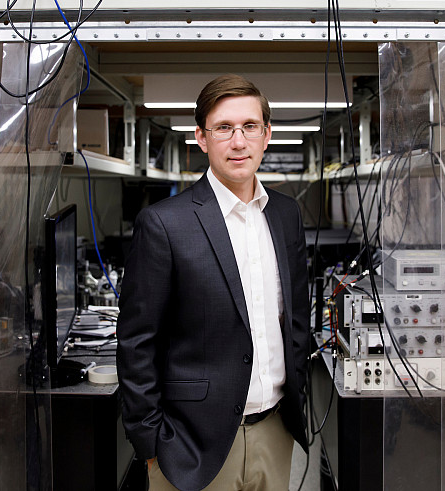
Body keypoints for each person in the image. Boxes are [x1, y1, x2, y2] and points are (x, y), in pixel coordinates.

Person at [117, 75, 310, 491]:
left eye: (249, 127)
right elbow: (137, 342)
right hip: (189, 444)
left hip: (275, 432)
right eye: (223, 128)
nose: (238, 141)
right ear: (202, 139)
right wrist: (149, 444)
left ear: (266, 135)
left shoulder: (285, 215)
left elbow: (295, 322)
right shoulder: (164, 224)